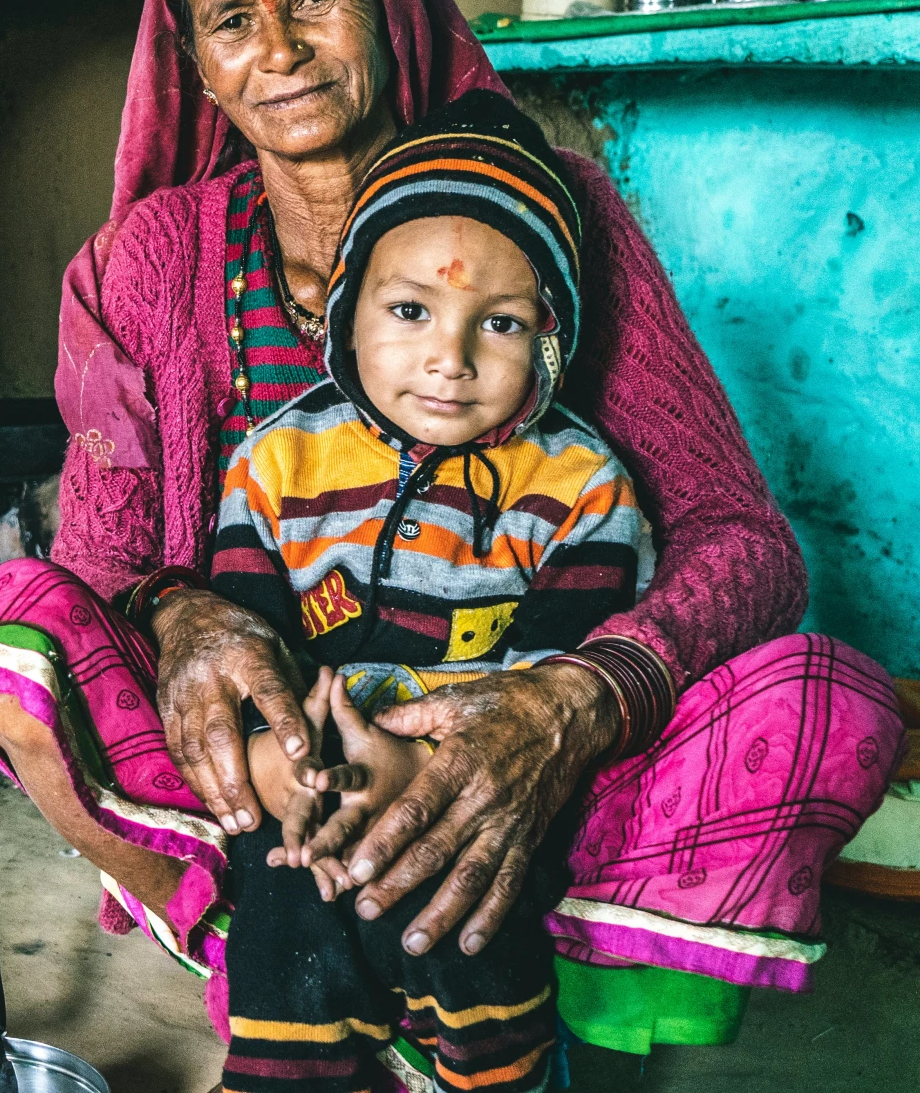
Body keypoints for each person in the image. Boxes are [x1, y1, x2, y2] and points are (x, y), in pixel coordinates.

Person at [0, 0, 902, 1089]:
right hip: (285, 748)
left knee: (829, 696)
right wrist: (188, 616)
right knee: (11, 626)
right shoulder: (148, 262)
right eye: (233, 18)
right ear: (194, 61)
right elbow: (108, 563)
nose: (278, 46)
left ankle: (514, 973)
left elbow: (741, 539)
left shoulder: (557, 221)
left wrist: (568, 703)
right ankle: (281, 957)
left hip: (520, 705)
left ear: (390, 6)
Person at [218, 90, 654, 1093]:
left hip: (480, 780)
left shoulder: (579, 487)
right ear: (346, 308)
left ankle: (496, 1069)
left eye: (498, 323)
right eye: (409, 310)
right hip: (316, 774)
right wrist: (279, 768)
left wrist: (422, 774)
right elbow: (249, 652)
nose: (448, 361)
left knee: (473, 895)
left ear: (550, 341)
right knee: (281, 896)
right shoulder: (275, 467)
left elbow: (558, 677)